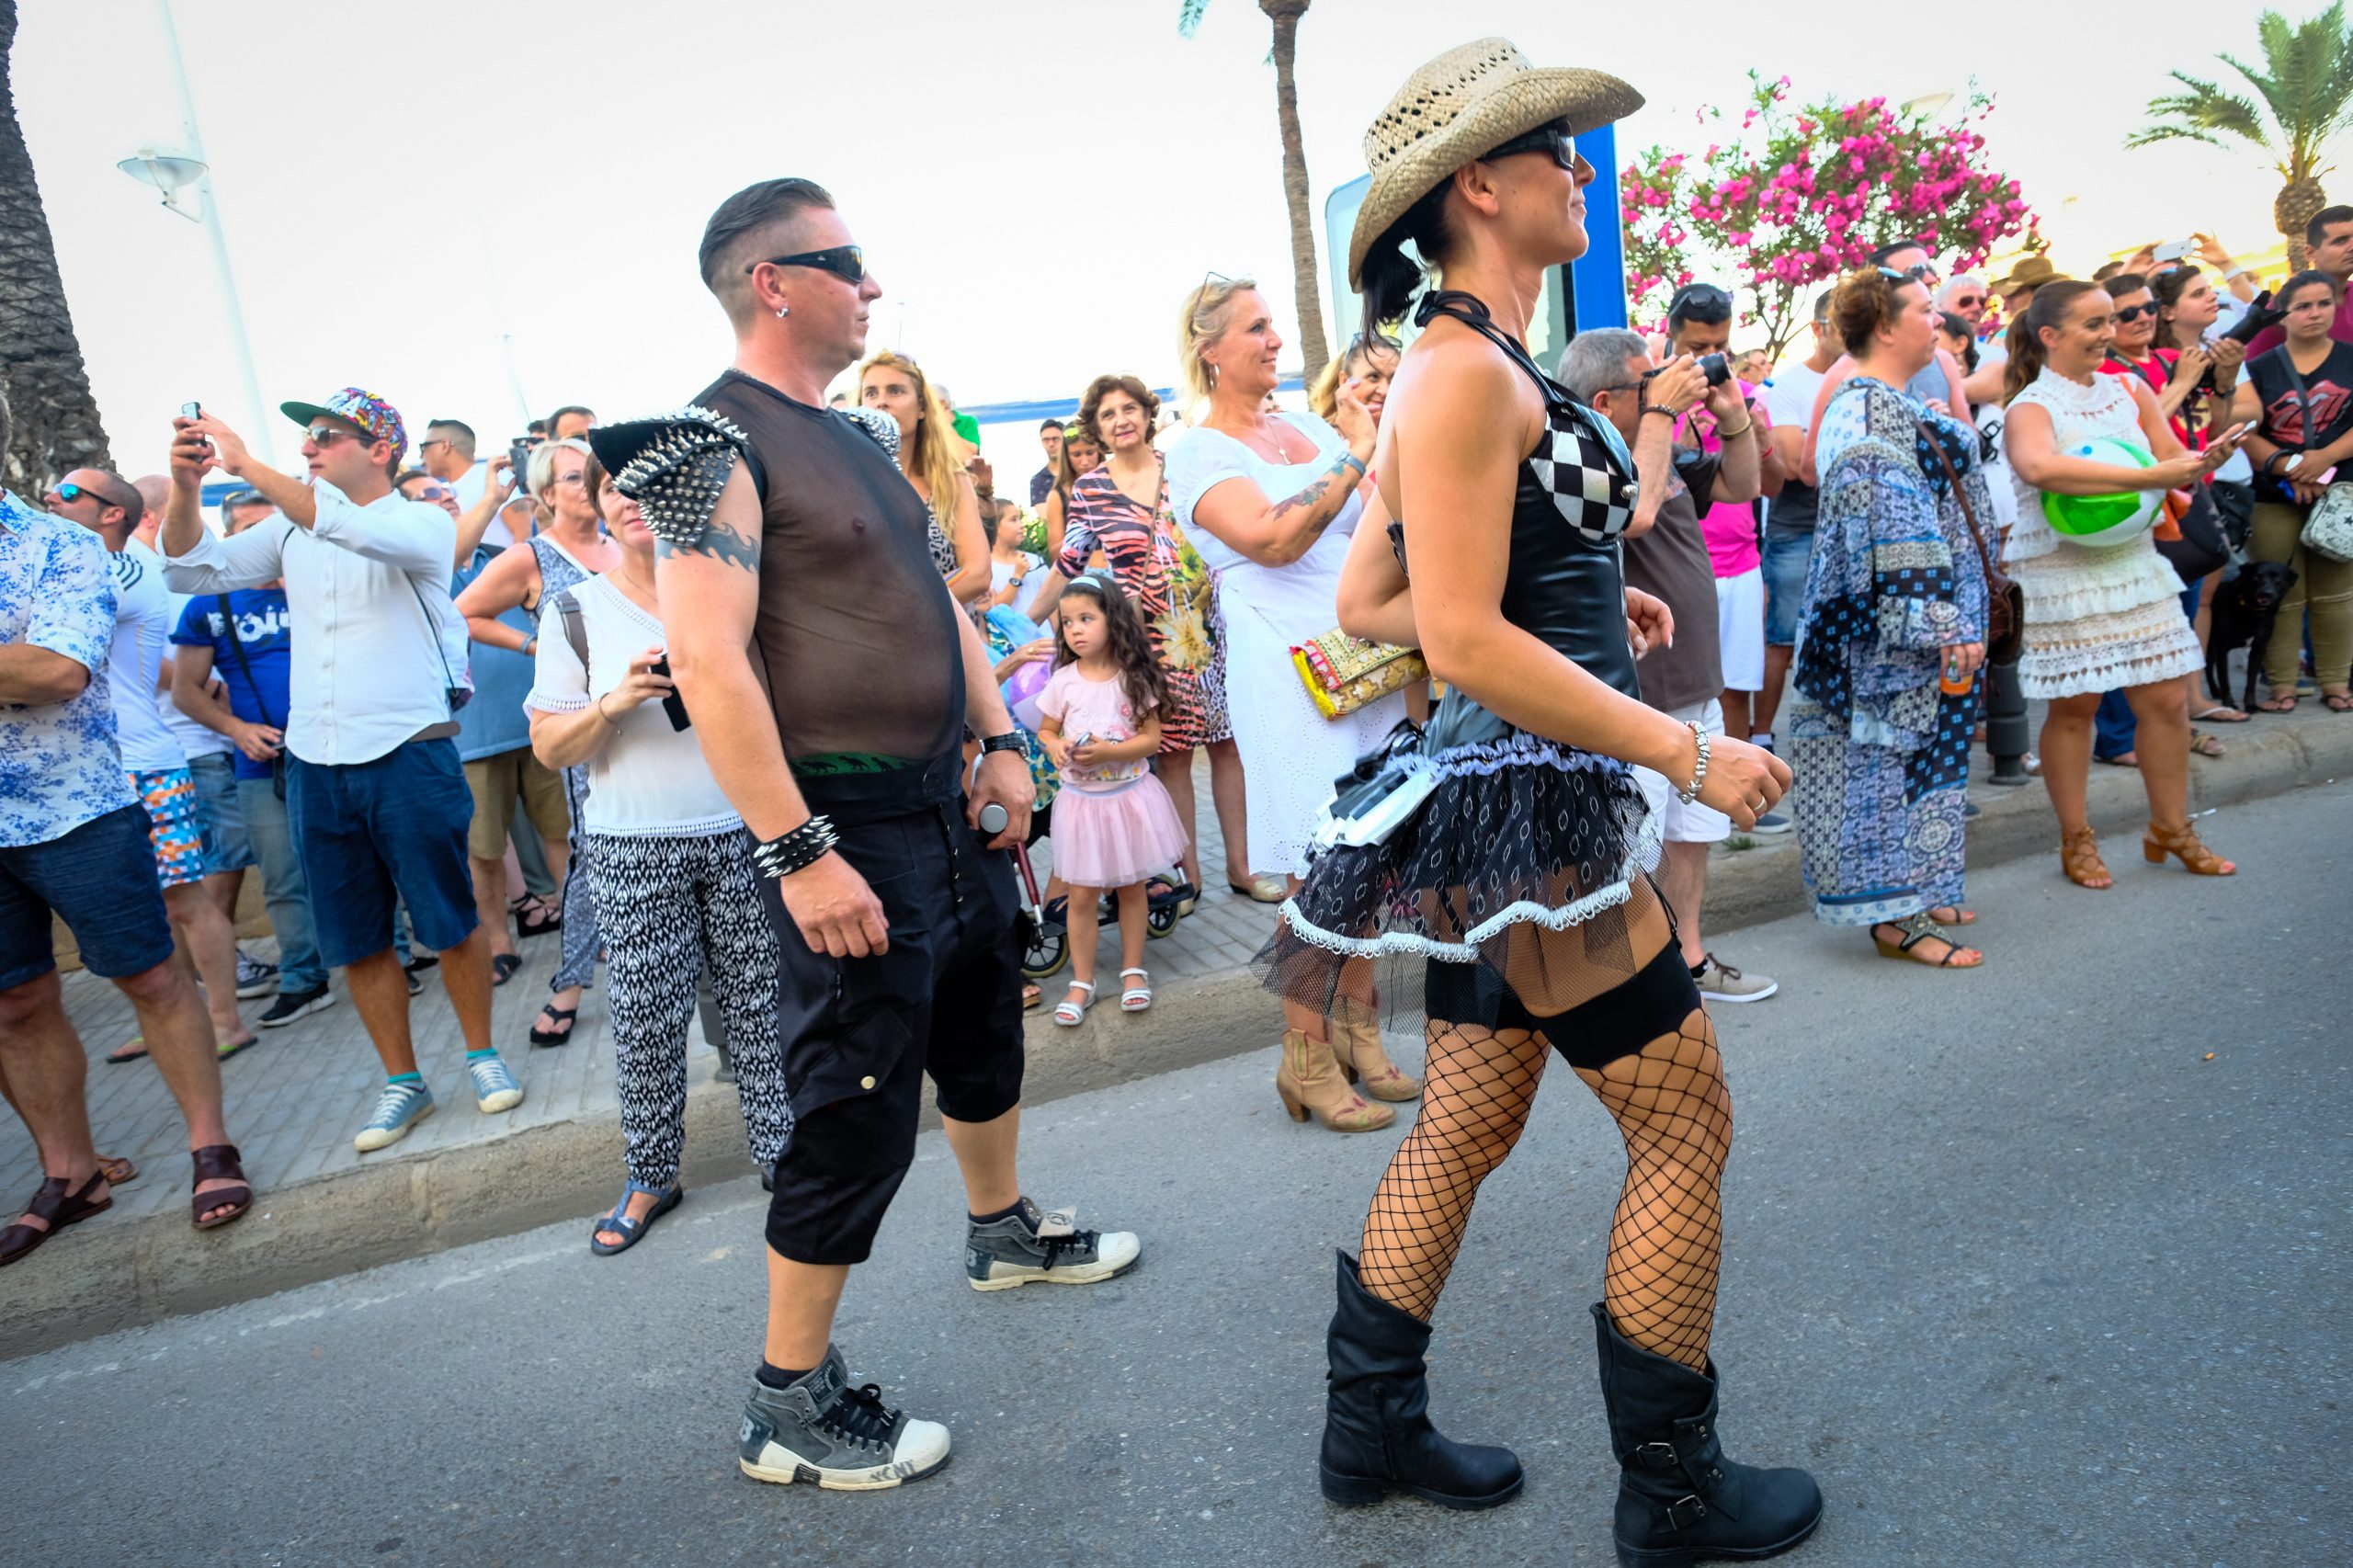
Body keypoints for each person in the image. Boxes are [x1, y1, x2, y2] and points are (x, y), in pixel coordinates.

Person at [1262, 42, 1817, 1564]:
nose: (1581, 172)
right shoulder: (1455, 373)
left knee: (1465, 1121)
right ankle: (1676, 1494)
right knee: (1687, 1125)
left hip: (1502, 803)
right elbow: (1448, 634)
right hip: (1534, 815)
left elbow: (1384, 589)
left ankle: (1366, 1429)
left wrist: (1589, 614)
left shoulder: (1476, 364)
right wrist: (1687, 748)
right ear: (1479, 187)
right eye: (1556, 154)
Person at [603, 176, 1138, 1490]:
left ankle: (1001, 1230)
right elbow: (712, 662)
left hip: (942, 804)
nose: (874, 285)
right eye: (846, 261)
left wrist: (1001, 740)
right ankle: (787, 1398)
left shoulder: (853, 436)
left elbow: (939, 605)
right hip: (840, 824)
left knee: (981, 1030)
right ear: (771, 282)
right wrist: (797, 851)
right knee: (852, 1100)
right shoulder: (706, 444)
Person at [161, 388, 523, 1153]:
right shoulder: (292, 533)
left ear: (380, 449)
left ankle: (482, 1056)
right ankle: (404, 1083)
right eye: (307, 439)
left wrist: (245, 461)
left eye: (327, 436)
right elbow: (189, 574)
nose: (309, 448)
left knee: (449, 917)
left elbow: (346, 527)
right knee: (357, 938)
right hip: (316, 763)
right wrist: (190, 488)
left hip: (408, 751)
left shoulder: (420, 521)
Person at [1, 397, 255, 1262]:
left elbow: (60, 672)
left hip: (82, 804)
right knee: (17, 1002)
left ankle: (209, 1144)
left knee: (154, 971)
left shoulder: (56, 546)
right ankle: (71, 1175)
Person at [1165, 274, 1415, 1130]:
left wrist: (1384, 437)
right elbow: (1274, 540)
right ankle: (1303, 1057)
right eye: (1256, 328)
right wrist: (1354, 454)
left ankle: (1360, 1033)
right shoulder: (1199, 452)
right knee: (1322, 868)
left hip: (1363, 661)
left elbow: (1380, 521)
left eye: (1275, 326)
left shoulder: (1308, 427)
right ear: (1210, 350)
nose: (1276, 342)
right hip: (1288, 673)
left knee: (1372, 856)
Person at [527, 455, 792, 1254]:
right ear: (598, 506)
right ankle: (652, 1173)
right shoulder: (576, 610)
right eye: (613, 488)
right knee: (646, 1016)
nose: (631, 501)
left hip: (740, 828)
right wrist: (616, 701)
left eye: (648, 487)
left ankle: (782, 1153)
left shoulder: (731, 594)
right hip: (632, 843)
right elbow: (549, 747)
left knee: (759, 1004)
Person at [2001, 283, 2250, 885]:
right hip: (2062, 569)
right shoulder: (2030, 407)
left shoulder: (2131, 389)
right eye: (2092, 324)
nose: (2107, 333)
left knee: (2166, 700)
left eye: (2109, 321)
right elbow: (2039, 466)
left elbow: (2166, 455)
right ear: (2050, 336)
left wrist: (2196, 462)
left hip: (2134, 564)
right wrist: (2149, 473)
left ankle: (2171, 828)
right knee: (2075, 706)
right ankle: (2076, 840)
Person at [1786, 267, 1995, 966]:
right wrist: (1940, 625)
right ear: (1884, 325)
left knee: (1926, 760)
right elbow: (1886, 527)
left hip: (1923, 626)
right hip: (1888, 639)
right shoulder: (1866, 408)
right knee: (1879, 768)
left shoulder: (1890, 399)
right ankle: (1895, 919)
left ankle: (1924, 887)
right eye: (1924, 310)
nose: (1936, 322)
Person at [1561, 335, 1778, 1005]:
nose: (1665, 390)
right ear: (1604, 402)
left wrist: (1730, 408)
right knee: (1631, 850)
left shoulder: (1663, 452)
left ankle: (1686, 958)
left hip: (1694, 687)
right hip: (1637, 701)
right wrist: (1659, 416)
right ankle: (1628, 984)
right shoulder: (1586, 464)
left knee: (1691, 836)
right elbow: (1637, 515)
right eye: (1645, 385)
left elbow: (1746, 484)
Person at [42, 469, 253, 1061]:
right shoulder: (83, 566)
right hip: (104, 766)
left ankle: (225, 1020)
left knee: (185, 898)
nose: (51, 502)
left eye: (66, 495)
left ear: (113, 513)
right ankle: (177, 1018)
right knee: (155, 904)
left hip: (147, 763)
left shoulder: (125, 569)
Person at [1032, 373, 1245, 903]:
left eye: (1129, 408)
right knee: (1172, 756)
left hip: (1214, 626)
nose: (1121, 420)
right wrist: (1026, 618)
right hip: (1150, 639)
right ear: (1097, 428)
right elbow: (1070, 561)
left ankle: (1241, 869)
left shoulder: (1185, 470)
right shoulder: (1092, 490)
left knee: (1229, 748)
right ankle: (1188, 878)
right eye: (1108, 414)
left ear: (1148, 414)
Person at [455, 437, 620, 1044]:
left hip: (653, 718)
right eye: (575, 479)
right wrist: (530, 645)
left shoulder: (624, 543)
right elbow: (463, 614)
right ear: (546, 494)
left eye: (596, 476)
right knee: (590, 855)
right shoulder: (532, 557)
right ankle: (569, 985)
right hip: (582, 728)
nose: (592, 487)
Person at [169, 492, 335, 1027]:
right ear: (230, 540)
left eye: (275, 527)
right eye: (250, 530)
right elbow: (186, 691)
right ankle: (304, 979)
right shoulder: (208, 607)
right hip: (263, 762)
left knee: (366, 862)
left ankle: (396, 959)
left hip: (337, 749)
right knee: (283, 877)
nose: (267, 540)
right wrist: (237, 730)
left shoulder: (322, 585)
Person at [1034, 574, 1192, 1022]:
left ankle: (1132, 971)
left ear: (1114, 620)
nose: (1075, 629)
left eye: (1087, 618)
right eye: (1067, 622)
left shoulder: (1134, 679)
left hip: (1128, 800)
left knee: (1130, 888)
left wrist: (1108, 752)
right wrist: (1056, 746)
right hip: (1082, 805)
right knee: (1081, 894)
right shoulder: (1063, 681)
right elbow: (1046, 729)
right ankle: (1082, 981)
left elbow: (1150, 741)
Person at [1662, 282, 1788, 765]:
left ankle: (1740, 799)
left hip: (1739, 565)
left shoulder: (1749, 395)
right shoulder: (1653, 395)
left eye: (1720, 347)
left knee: (1734, 687)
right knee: (1676, 693)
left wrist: (1755, 437)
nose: (1710, 359)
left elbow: (1772, 486)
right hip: (1674, 570)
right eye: (1697, 348)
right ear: (1672, 337)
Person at [2234, 269, 2353, 712]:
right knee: (2279, 596)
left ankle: (2336, 682)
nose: (2315, 313)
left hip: (2339, 492)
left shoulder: (2350, 357)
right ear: (2282, 314)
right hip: (2271, 492)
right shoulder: (2259, 368)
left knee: (2337, 594)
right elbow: (2243, 429)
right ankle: (2282, 684)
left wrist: (2321, 461)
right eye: (2303, 306)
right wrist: (2288, 467)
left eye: (2324, 303)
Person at [1756, 289, 1841, 754]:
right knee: (1783, 640)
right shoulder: (1789, 385)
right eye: (1840, 323)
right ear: (1817, 329)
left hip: (1849, 529)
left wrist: (1815, 436)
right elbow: (1794, 467)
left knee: (1842, 634)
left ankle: (1829, 730)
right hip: (1796, 530)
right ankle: (1763, 734)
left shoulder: (1872, 376)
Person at [857, 351, 990, 608]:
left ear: (921, 408)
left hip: (941, 636)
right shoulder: (847, 480)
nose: (881, 402)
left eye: (895, 391)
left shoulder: (950, 482)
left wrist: (903, 608)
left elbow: (977, 573)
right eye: (871, 393)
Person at [2245, 206, 2353, 355]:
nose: (2351, 247)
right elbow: (2252, 367)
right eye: (2340, 241)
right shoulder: (2286, 305)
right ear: (2310, 253)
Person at [1030, 421, 1103, 577]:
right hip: (1080, 577)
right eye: (1076, 455)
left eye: (1090, 453)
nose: (1084, 461)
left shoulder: (1114, 484)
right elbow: (1055, 553)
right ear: (1067, 457)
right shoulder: (1057, 496)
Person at [1029, 418, 1063, 506]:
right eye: (1046, 440)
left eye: (1056, 439)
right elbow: (1045, 516)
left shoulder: (1079, 470)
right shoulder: (1038, 480)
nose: (1051, 444)